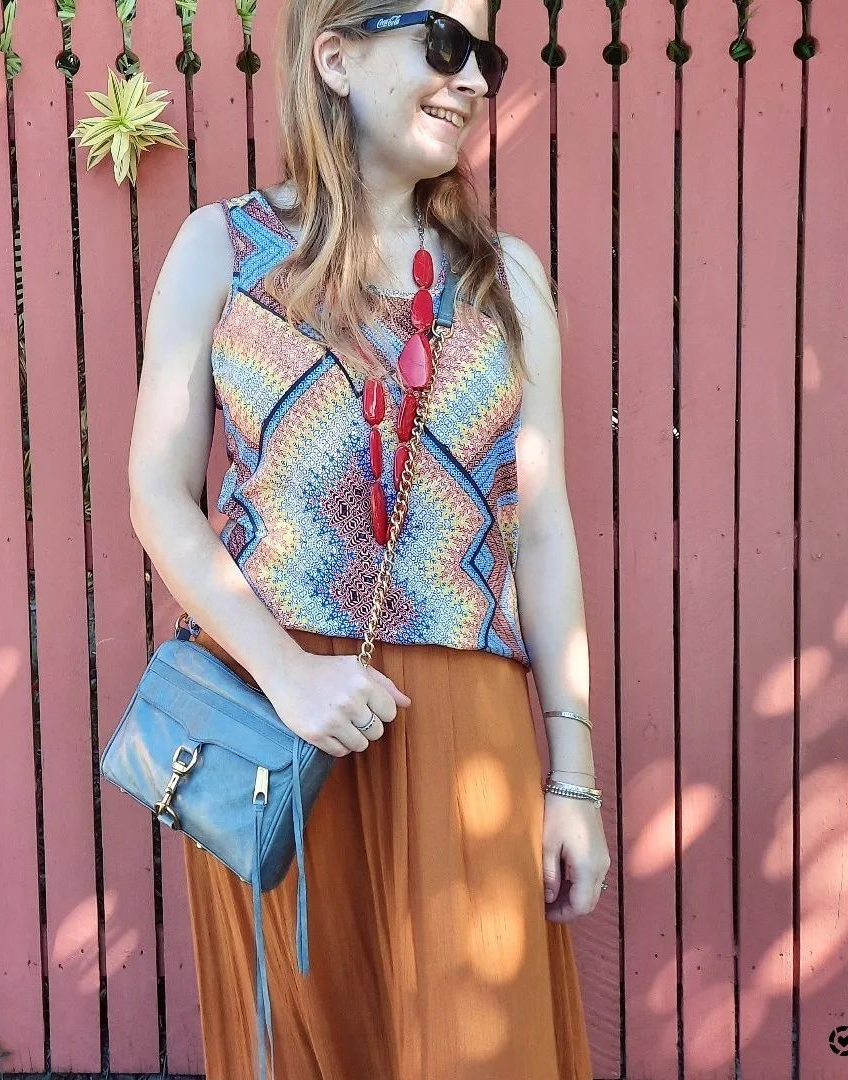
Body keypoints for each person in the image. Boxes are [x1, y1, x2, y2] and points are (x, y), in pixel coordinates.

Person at [128, 0, 609, 1075]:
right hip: (276, 736)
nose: (474, 79)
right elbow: (156, 493)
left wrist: (572, 782)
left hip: (469, 739)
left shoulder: (507, 280)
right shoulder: (222, 250)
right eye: (445, 43)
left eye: (485, 55)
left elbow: (540, 529)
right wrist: (288, 673)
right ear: (337, 58)